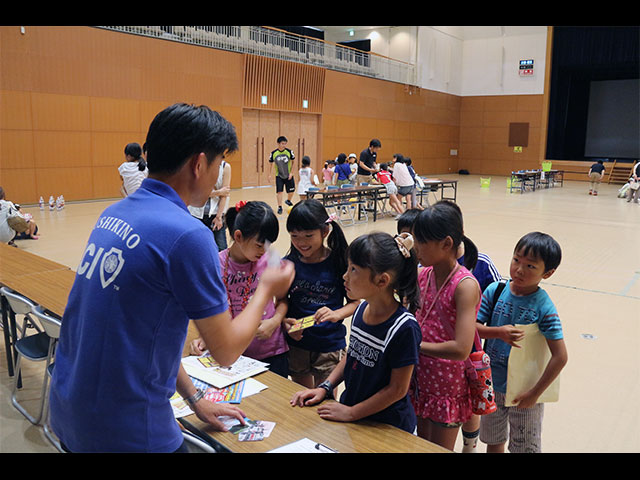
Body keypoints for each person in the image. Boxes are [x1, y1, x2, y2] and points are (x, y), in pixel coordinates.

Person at [48, 103, 295, 453]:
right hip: (126, 433)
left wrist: (195, 399)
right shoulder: (188, 235)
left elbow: (140, 338)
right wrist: (266, 287)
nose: (218, 175)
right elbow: (225, 351)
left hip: (70, 414)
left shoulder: (113, 213)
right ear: (198, 164)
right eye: (219, 163)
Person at [290, 232, 422, 434]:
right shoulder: (362, 310)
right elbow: (353, 354)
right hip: (356, 416)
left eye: (354, 270)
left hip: (388, 427)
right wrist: (325, 387)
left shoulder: (404, 327)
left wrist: (352, 413)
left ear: (381, 281)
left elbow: (397, 390)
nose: (345, 276)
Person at [476, 232, 568, 453]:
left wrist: (535, 394)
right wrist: (498, 333)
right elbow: (473, 328)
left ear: (548, 273)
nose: (519, 269)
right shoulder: (495, 291)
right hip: (492, 384)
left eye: (530, 266)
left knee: (525, 447)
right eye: (516, 260)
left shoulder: (543, 307)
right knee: (493, 440)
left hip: (525, 392)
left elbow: (560, 356)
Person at [409, 201, 482, 451]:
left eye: (421, 242)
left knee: (439, 449)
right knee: (421, 443)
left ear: (447, 244)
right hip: (420, 378)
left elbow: (461, 348)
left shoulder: (465, 286)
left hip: (447, 385)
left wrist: (416, 346)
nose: (416, 248)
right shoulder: (422, 275)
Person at [189, 200, 292, 377]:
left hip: (272, 351)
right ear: (238, 237)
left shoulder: (270, 262)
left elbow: (282, 300)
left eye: (269, 245)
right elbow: (209, 311)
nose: (264, 251)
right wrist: (207, 338)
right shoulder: (216, 264)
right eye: (259, 245)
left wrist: (274, 321)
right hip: (235, 354)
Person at [283, 199, 359, 390]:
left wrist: (337, 314)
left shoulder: (339, 262)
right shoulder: (288, 264)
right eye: (294, 236)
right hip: (298, 343)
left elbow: (355, 302)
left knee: (325, 397)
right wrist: (285, 322)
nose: (301, 243)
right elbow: (282, 299)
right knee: (300, 394)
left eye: (308, 236)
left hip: (329, 344)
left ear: (324, 232)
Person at [188, 158, 231, 251]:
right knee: (197, 246)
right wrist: (218, 192)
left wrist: (219, 217)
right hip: (196, 214)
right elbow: (196, 192)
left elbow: (225, 194)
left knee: (221, 247)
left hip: (216, 215)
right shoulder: (197, 165)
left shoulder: (225, 167)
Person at [268, 136, 296, 214]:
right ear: (278, 144)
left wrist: (291, 173)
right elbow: (270, 164)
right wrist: (269, 174)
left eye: (285, 143)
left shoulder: (289, 152)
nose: (284, 145)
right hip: (279, 175)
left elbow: (294, 162)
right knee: (279, 192)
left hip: (288, 175)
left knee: (291, 190)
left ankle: (288, 200)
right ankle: (280, 206)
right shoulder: (274, 153)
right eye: (282, 143)